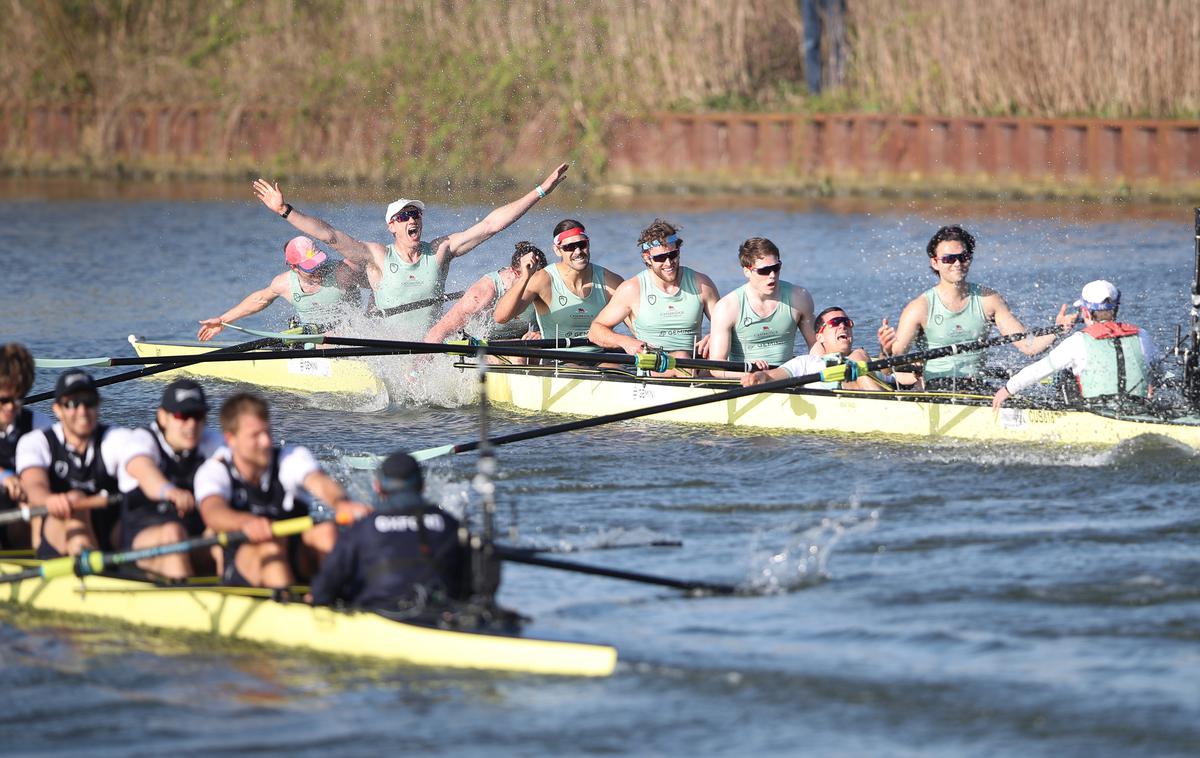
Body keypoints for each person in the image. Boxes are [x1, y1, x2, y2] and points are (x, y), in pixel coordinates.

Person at [253, 163, 569, 333]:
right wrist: (285, 211)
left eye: (416, 214)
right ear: (392, 225)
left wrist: (540, 191)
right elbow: (329, 236)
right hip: (382, 352)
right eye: (404, 216)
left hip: (429, 345)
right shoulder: (377, 256)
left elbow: (490, 225)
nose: (412, 219)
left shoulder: (440, 250)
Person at [193, 393, 370, 589]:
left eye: (267, 432)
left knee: (327, 532)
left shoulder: (290, 458)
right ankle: (291, 605)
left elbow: (319, 482)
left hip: (294, 555)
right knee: (270, 546)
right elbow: (213, 512)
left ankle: (347, 599)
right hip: (247, 563)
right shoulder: (214, 470)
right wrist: (246, 522)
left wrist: (341, 504)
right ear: (231, 439)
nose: (266, 442)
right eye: (255, 435)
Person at [879, 225, 1077, 392]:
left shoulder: (988, 300)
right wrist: (885, 351)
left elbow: (1028, 346)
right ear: (935, 262)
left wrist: (1058, 329)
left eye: (963, 257)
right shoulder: (919, 308)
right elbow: (890, 368)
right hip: (937, 388)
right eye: (949, 259)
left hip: (977, 386)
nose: (957, 263)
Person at [310, 451, 469, 610]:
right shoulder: (448, 522)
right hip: (440, 612)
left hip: (380, 614)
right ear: (422, 485)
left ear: (378, 487)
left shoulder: (364, 527)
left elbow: (326, 586)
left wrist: (317, 598)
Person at [992, 280, 1158, 411]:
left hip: (1096, 412)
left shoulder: (1078, 341)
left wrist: (1007, 390)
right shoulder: (1142, 335)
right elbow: (1158, 372)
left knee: (1064, 374)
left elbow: (1038, 370)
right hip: (1138, 408)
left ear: (1085, 312)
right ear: (1116, 309)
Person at [116, 380, 224, 579]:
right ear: (163, 418)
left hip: (194, 539)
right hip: (142, 543)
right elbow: (142, 469)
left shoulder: (212, 443)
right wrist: (170, 492)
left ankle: (238, 593)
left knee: (225, 535)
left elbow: (234, 470)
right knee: (173, 533)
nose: (191, 425)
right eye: (182, 416)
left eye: (198, 416)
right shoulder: (143, 439)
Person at [15, 370, 126, 558]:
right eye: (73, 404)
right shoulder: (37, 441)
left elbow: (141, 468)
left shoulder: (116, 438)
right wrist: (50, 500)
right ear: (57, 409)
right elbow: (34, 485)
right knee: (74, 504)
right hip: (57, 533)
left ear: (98, 405)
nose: (82, 411)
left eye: (89, 402)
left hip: (108, 535)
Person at [588, 219, 721, 375]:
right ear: (647, 257)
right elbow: (595, 331)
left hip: (693, 363)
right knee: (681, 357)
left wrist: (716, 335)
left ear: (678, 249)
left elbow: (731, 325)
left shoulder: (702, 284)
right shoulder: (632, 289)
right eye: (660, 258)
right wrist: (625, 341)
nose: (668, 263)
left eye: (673, 254)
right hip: (653, 367)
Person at [494, 219, 624, 352]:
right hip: (559, 360)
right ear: (557, 250)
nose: (578, 251)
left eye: (582, 244)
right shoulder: (543, 279)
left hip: (602, 356)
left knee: (614, 370)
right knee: (575, 370)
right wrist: (525, 278)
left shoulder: (611, 281)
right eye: (569, 247)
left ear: (588, 244)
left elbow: (635, 322)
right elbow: (501, 317)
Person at [198, 236, 362, 340]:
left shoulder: (343, 272)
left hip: (350, 339)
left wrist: (373, 312)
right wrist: (223, 321)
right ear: (294, 268)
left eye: (320, 263)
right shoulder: (284, 284)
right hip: (311, 342)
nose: (319, 270)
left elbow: (380, 284)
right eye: (311, 268)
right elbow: (260, 299)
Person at [707, 237, 817, 374]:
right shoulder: (727, 307)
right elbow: (716, 368)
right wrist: (750, 375)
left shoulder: (799, 297)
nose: (772, 276)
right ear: (747, 271)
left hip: (786, 376)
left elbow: (815, 345)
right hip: (745, 380)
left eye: (776, 268)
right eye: (764, 271)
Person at [423, 241, 548, 344]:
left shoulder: (545, 285)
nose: (536, 285)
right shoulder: (484, 291)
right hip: (483, 345)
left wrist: (540, 333)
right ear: (513, 272)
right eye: (530, 277)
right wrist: (415, 372)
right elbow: (440, 331)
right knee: (518, 359)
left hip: (520, 344)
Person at [740, 307, 892, 391]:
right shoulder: (806, 363)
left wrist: (885, 351)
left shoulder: (864, 358)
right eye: (835, 322)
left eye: (846, 322)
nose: (843, 326)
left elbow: (896, 379)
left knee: (858, 355)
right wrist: (757, 377)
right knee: (858, 357)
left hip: (870, 388)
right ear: (820, 338)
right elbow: (771, 376)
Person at [0, 343, 53, 548]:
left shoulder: (39, 424)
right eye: (4, 400)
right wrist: (4, 476)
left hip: (21, 514)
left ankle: (41, 555)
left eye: (18, 398)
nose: (12, 407)